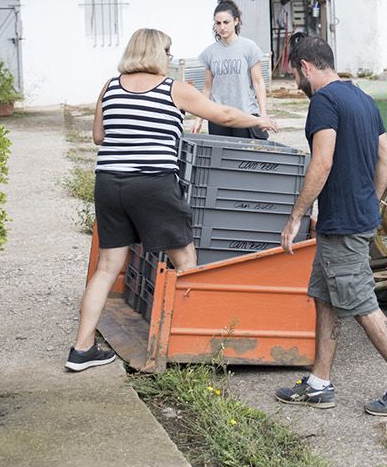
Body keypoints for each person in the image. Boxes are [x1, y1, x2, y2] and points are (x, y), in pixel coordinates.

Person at [67, 28, 280, 372]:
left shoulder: (110, 86)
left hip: (109, 184)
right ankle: (186, 345)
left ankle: (81, 349)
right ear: (155, 53)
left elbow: (98, 136)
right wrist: (258, 119)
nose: (169, 58)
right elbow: (223, 115)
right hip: (152, 184)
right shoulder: (173, 89)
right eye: (167, 52)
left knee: (107, 268)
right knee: (185, 261)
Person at [274, 36, 387, 416]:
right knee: (326, 297)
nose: (293, 80)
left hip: (343, 223)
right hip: (354, 218)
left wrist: (296, 215)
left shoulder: (324, 102)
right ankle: (319, 382)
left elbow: (322, 162)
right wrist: (372, 201)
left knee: (361, 303)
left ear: (306, 67)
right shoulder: (361, 98)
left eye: (293, 72)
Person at [199, 0, 268, 139]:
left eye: (226, 22)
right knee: (221, 158)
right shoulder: (209, 52)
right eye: (218, 23)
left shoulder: (249, 47)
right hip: (217, 116)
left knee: (244, 157)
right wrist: (199, 118)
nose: (222, 27)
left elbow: (258, 83)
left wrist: (263, 114)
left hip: (245, 115)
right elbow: (207, 88)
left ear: (236, 21)